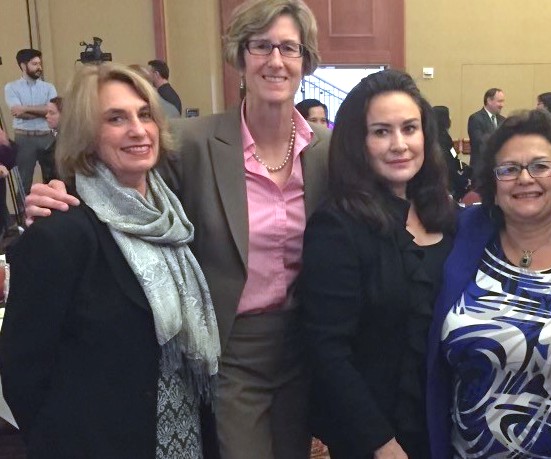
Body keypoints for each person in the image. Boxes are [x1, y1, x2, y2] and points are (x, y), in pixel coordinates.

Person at [23, 1, 330, 458]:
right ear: (240, 57)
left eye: (289, 47)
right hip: (227, 349)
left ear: (305, 60)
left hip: (303, 345)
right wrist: (57, 196)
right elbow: (124, 192)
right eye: (261, 46)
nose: (275, 60)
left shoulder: (327, 151)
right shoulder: (193, 143)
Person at [0, 63, 220, 459]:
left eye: (145, 114)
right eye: (116, 118)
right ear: (87, 135)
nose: (138, 129)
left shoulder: (173, 222)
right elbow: (23, 371)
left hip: (186, 439)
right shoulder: (61, 233)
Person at [427, 109, 551, 458]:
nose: (524, 178)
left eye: (540, 166)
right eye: (508, 169)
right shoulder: (462, 233)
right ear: (493, 183)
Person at [299, 69, 456, 458]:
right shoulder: (338, 225)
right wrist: (380, 443)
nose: (399, 144)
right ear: (358, 142)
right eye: (381, 131)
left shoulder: (448, 217)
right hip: (378, 435)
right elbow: (327, 350)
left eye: (409, 128)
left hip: (448, 424)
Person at [4, 48, 57, 193]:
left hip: (47, 137)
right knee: (23, 180)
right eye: (34, 64)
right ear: (23, 66)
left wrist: (25, 108)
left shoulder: (48, 87)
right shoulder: (11, 87)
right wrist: (43, 111)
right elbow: (18, 113)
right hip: (24, 139)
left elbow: (52, 110)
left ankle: (53, 214)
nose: (39, 67)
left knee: (53, 177)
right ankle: (23, 214)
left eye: (39, 64)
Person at [433, 105, 471, 201]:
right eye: (448, 116)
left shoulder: (445, 135)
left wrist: (460, 165)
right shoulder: (439, 139)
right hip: (445, 179)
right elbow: (448, 160)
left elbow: (453, 155)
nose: (450, 118)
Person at [467, 87, 505, 175]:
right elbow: (478, 141)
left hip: (499, 169)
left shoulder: (503, 120)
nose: (502, 105)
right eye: (499, 101)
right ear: (489, 100)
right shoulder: (475, 118)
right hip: (481, 169)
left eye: (503, 101)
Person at [38, 96, 62, 182]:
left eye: (51, 113)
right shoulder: (53, 138)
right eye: (47, 112)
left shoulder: (70, 143)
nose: (47, 116)